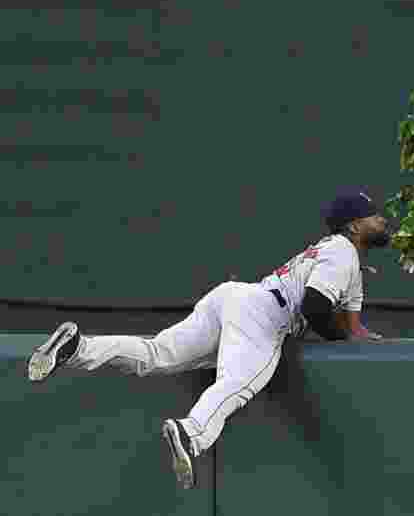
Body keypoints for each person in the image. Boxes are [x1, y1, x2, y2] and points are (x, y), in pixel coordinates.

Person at [25, 186, 390, 490]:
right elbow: (314, 306)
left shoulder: (344, 257)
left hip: (234, 297)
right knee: (236, 384)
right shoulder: (342, 253)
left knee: (156, 353)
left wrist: (356, 334)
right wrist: (338, 335)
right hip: (264, 316)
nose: (383, 220)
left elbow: (352, 323)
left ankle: (79, 347)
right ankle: (191, 433)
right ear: (355, 226)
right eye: (374, 215)